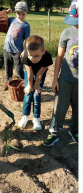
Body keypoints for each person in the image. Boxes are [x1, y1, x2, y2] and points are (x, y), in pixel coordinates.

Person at [43, 0, 78, 146]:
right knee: (59, 107)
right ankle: (54, 131)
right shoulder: (67, 32)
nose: (75, 23)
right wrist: (55, 79)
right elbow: (58, 57)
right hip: (65, 79)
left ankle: (75, 130)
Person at [17, 35, 53, 130]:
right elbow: (30, 74)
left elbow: (39, 75)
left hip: (40, 73)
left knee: (36, 95)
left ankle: (36, 118)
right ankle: (25, 116)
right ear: (27, 52)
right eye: (31, 55)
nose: (33, 59)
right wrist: (29, 86)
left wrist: (36, 86)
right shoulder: (25, 56)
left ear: (43, 51)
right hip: (29, 72)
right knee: (28, 95)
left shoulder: (47, 57)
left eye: (37, 56)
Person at [3, 1, 30, 90]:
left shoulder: (26, 26)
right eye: (18, 14)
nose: (20, 16)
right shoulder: (11, 19)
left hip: (17, 51)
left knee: (19, 69)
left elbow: (27, 40)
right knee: (8, 68)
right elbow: (1, 18)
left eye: (22, 14)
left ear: (26, 12)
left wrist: (25, 51)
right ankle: (8, 82)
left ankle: (21, 84)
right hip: (6, 49)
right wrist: (6, 13)